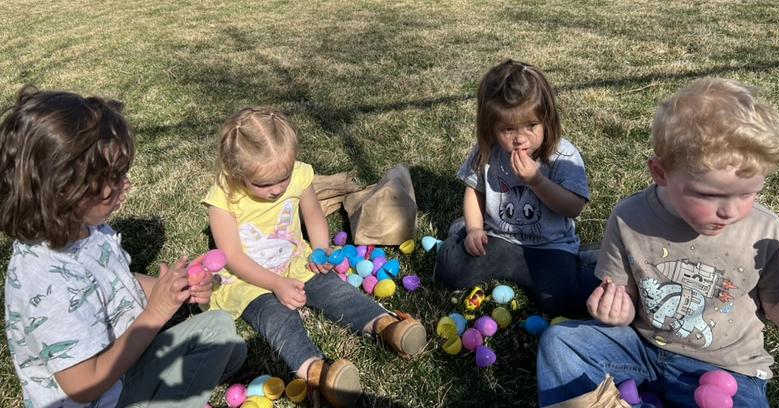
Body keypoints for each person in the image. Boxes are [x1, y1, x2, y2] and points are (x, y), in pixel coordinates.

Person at [537, 78, 779, 407]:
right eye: (708, 194)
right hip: (643, 348)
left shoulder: (764, 231)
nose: (730, 210)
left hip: (728, 370)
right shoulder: (629, 217)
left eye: (748, 193)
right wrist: (617, 311)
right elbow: (627, 294)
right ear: (660, 173)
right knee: (562, 342)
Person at [1, 86, 246, 408]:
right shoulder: (47, 282)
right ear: (65, 189)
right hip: (100, 397)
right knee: (217, 336)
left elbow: (115, 283)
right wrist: (157, 312)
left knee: (227, 342)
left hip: (121, 373)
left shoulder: (88, 230)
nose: (126, 184)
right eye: (114, 178)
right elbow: (83, 386)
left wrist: (173, 287)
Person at [205, 107, 427, 408]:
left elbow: (312, 214)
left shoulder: (297, 175)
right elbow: (231, 256)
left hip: (295, 261)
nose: (277, 190)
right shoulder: (224, 196)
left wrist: (320, 249)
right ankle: (317, 372)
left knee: (333, 289)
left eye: (283, 178)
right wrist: (276, 283)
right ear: (236, 171)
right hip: (250, 279)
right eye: (264, 184)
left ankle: (385, 325)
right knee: (276, 316)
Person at [435, 60, 596, 316]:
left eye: (531, 126)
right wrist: (475, 229)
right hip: (499, 240)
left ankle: (587, 258)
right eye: (508, 129)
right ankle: (464, 228)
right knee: (449, 268)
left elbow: (573, 207)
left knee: (565, 302)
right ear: (491, 127)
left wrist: (537, 181)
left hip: (549, 247)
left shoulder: (562, 155)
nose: (520, 138)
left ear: (547, 120)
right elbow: (474, 190)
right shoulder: (487, 152)